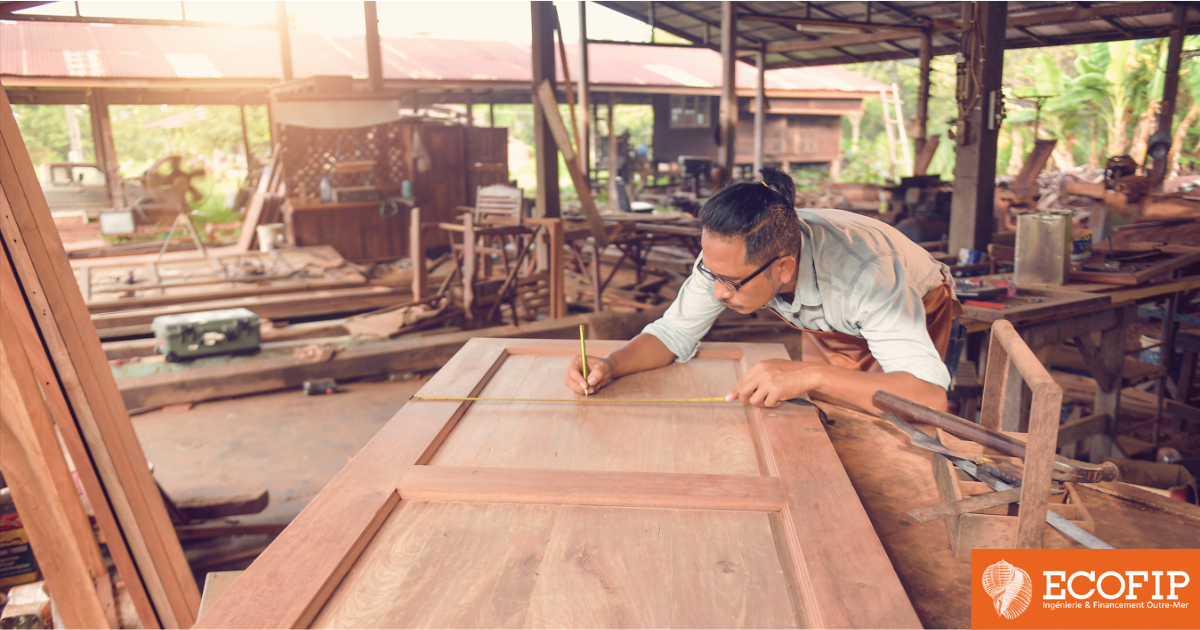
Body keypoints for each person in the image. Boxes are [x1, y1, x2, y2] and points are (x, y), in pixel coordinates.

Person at [564, 164, 962, 413]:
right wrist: (611, 365)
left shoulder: (868, 278)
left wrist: (811, 375)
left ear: (784, 268)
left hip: (918, 303)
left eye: (730, 283)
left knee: (897, 430)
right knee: (825, 415)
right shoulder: (729, 262)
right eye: (713, 276)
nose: (718, 292)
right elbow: (671, 334)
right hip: (834, 317)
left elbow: (927, 397)